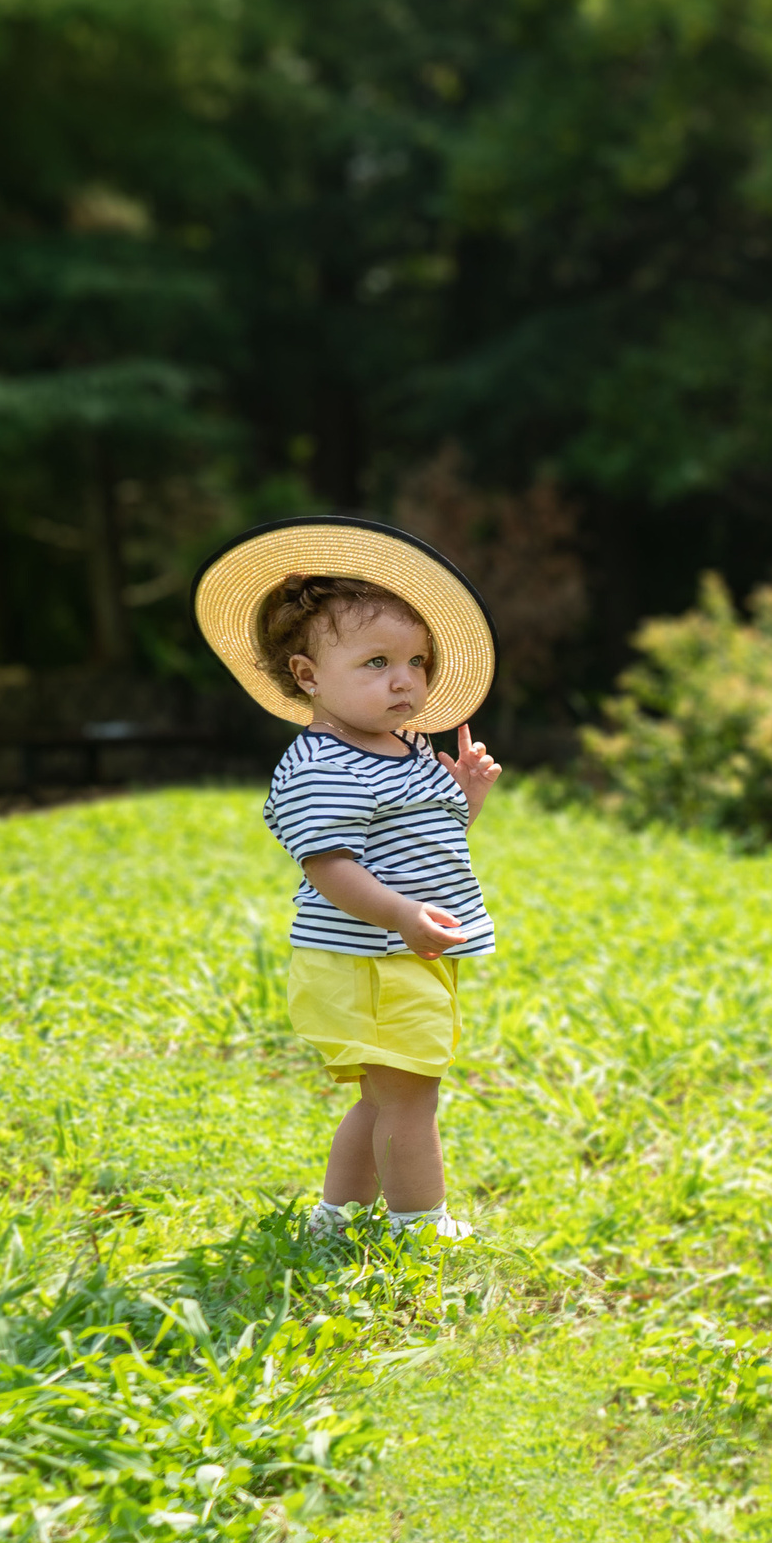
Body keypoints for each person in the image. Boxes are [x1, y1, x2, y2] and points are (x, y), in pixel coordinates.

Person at [192, 519, 504, 1244]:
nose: (406, 679)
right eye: (376, 662)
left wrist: (466, 798)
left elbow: (420, 844)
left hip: (400, 951)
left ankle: (338, 1217)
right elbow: (330, 866)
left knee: (383, 1096)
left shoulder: (404, 746)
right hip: (373, 956)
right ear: (308, 676)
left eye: (417, 660)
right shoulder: (324, 763)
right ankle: (418, 1227)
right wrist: (400, 916)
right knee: (410, 1097)